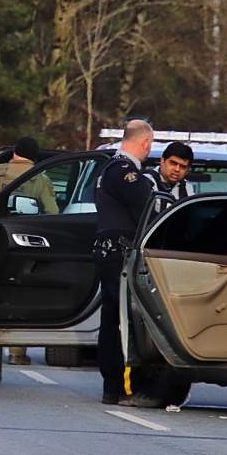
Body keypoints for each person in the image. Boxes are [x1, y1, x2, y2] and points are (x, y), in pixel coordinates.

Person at [0, 136, 56, 366]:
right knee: (21, 293)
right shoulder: (41, 178)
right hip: (25, 245)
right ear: (33, 157)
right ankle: (17, 352)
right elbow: (52, 214)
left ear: (14, 153)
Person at [94, 120, 154, 404]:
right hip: (120, 254)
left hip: (109, 252)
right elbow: (147, 209)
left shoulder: (109, 168)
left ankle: (112, 386)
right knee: (125, 320)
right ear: (145, 143)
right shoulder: (125, 172)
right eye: (149, 145)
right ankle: (127, 387)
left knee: (111, 319)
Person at [143, 141, 194, 216]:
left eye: (182, 167)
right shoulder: (145, 181)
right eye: (173, 163)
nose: (177, 169)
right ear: (162, 161)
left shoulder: (187, 188)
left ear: (187, 170)